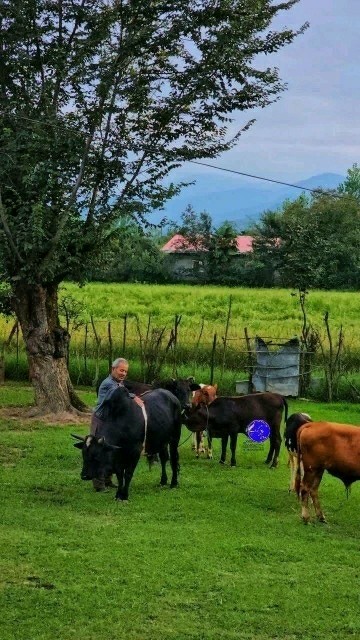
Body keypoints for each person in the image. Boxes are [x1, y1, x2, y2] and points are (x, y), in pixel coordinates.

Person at [91, 357, 131, 490]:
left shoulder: (119, 383)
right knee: (99, 451)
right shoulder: (108, 383)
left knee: (110, 450)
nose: (124, 374)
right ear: (113, 369)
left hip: (110, 422)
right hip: (101, 421)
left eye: (125, 371)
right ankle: (98, 484)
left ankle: (107, 480)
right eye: (121, 370)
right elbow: (119, 394)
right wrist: (134, 396)